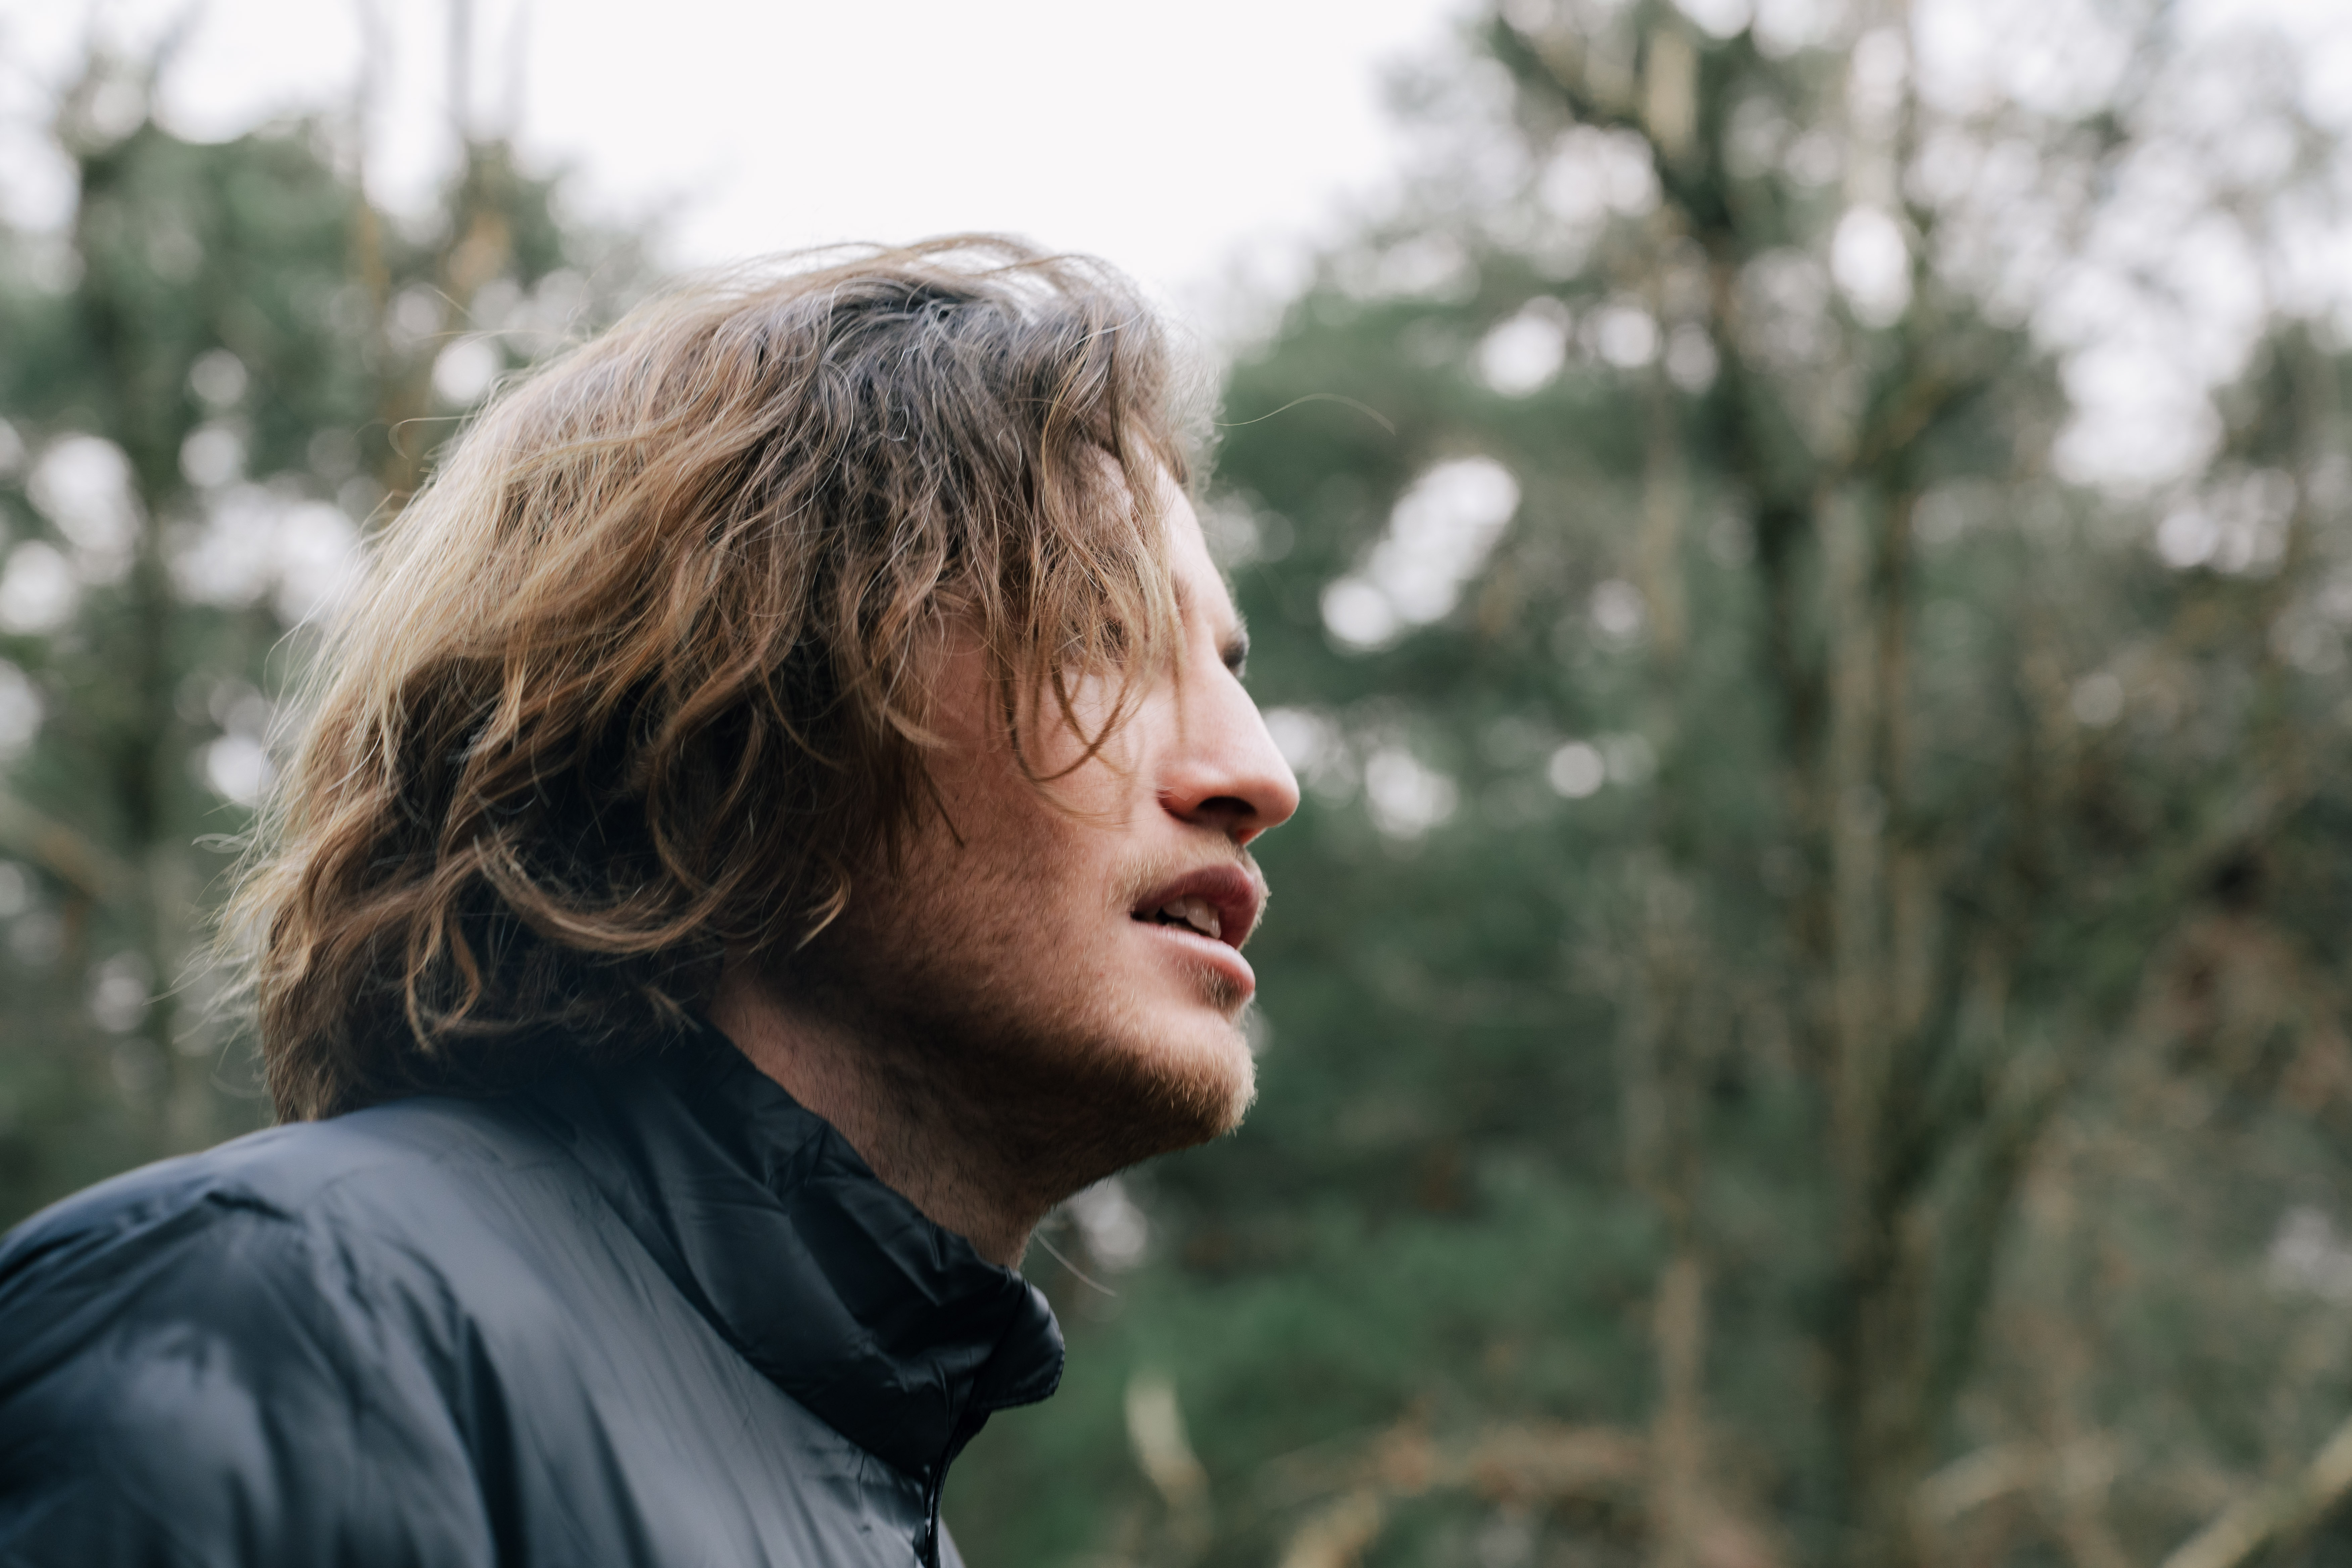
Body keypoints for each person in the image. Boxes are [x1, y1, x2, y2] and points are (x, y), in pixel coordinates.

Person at [0, 238, 1301, 1568]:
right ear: (741, 717)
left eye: (1229, 668)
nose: (1260, 775)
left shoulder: (870, 1508)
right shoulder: (285, 1318)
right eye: (1097, 631)